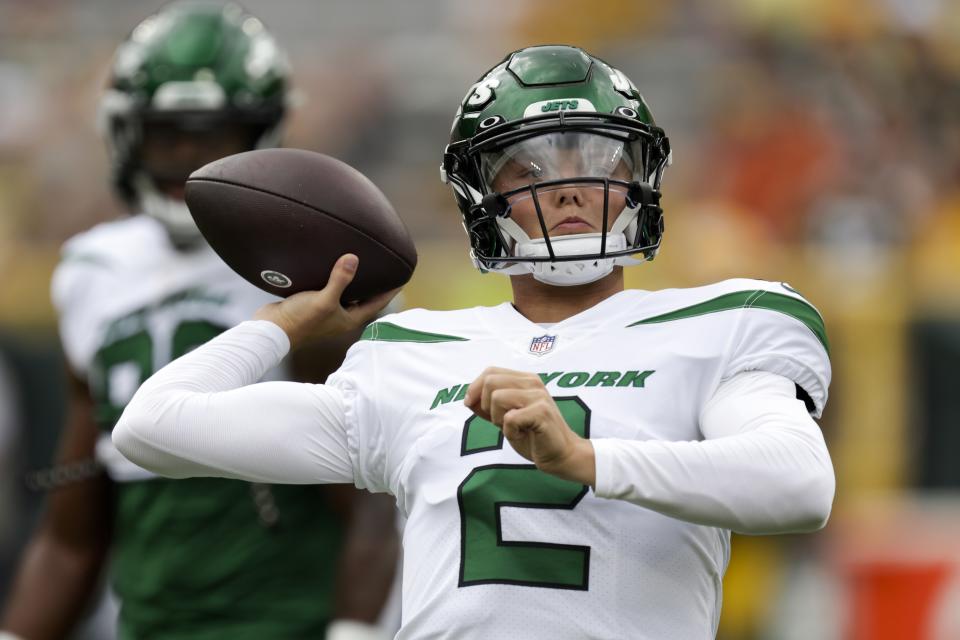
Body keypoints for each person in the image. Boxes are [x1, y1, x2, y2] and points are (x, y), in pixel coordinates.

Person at [111, 45, 835, 639]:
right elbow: (152, 426)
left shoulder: (720, 325)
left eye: (597, 157)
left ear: (639, 178)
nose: (570, 187)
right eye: (532, 169)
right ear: (482, 197)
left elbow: (798, 485)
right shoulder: (407, 353)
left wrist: (582, 458)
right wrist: (290, 318)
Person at [0, 3, 397, 639]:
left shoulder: (308, 264)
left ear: (259, 136)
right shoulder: (92, 271)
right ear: (127, 134)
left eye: (212, 137)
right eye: (168, 135)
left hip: (285, 622)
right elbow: (75, 522)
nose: (188, 159)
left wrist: (353, 630)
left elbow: (372, 500)